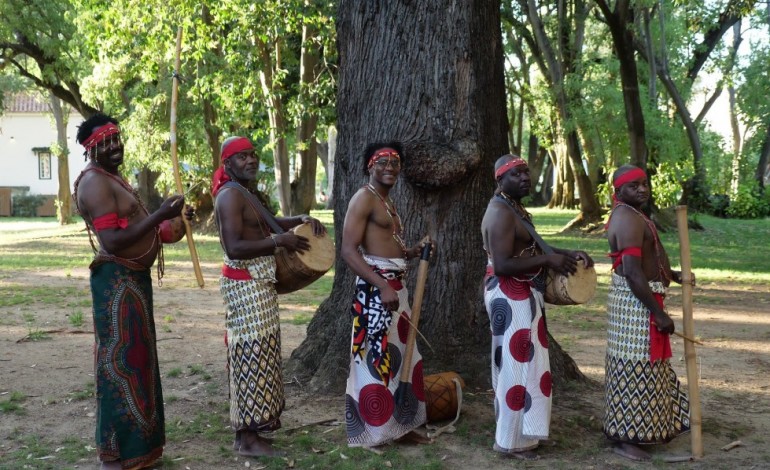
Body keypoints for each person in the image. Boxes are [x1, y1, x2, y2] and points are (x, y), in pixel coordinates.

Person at [73, 113, 191, 470]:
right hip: (116, 283)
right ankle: (114, 456)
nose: (115, 147)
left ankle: (142, 451)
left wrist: (173, 224)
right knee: (119, 365)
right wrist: (158, 216)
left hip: (133, 281)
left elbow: (138, 229)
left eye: (117, 139)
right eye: (106, 143)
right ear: (91, 149)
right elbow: (112, 240)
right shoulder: (95, 184)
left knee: (139, 362)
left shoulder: (112, 179)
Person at [212, 136, 326, 457]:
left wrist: (299, 221)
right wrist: (280, 241)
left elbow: (267, 226)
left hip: (258, 283)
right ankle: (247, 438)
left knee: (260, 353)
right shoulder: (229, 197)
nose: (250, 160)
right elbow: (233, 246)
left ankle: (249, 433)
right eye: (241, 156)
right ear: (227, 164)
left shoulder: (244, 192)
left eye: (252, 155)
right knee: (250, 355)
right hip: (244, 284)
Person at [480, 154, 593, 460]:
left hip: (523, 294)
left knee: (530, 367)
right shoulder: (501, 213)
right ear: (500, 179)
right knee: (516, 369)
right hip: (510, 293)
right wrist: (548, 260)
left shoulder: (513, 207)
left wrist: (567, 253)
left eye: (527, 172)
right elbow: (503, 264)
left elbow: (532, 246)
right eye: (517, 174)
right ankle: (509, 441)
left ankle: (525, 435)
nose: (525, 178)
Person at [341, 142, 430, 448]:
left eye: (395, 162)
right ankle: (375, 433)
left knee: (401, 357)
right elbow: (349, 251)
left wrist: (413, 251)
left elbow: (387, 245)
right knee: (375, 357)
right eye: (383, 161)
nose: (390, 166)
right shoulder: (363, 198)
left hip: (395, 287)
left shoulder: (387, 202)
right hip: (376, 290)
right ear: (370, 165)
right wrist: (381, 284)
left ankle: (400, 427)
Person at [603, 164, 690, 461]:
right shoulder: (627, 218)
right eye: (633, 186)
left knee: (646, 367)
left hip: (642, 300)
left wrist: (673, 275)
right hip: (636, 304)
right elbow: (631, 271)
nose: (642, 189)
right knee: (634, 366)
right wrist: (658, 314)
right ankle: (626, 439)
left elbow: (648, 260)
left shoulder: (634, 214)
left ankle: (643, 431)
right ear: (618, 192)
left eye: (644, 183)